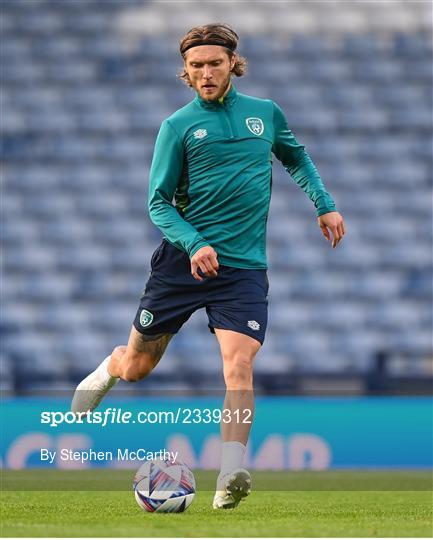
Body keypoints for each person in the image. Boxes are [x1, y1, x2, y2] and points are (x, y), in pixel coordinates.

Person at [72, 23, 346, 509]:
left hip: (241, 269)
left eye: (214, 64)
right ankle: (111, 364)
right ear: (187, 72)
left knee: (239, 366)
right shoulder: (177, 126)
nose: (205, 73)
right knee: (138, 368)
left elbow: (296, 158)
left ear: (232, 64)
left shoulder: (265, 114)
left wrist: (323, 203)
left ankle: (230, 472)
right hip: (183, 263)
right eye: (196, 66)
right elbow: (158, 203)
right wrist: (194, 242)